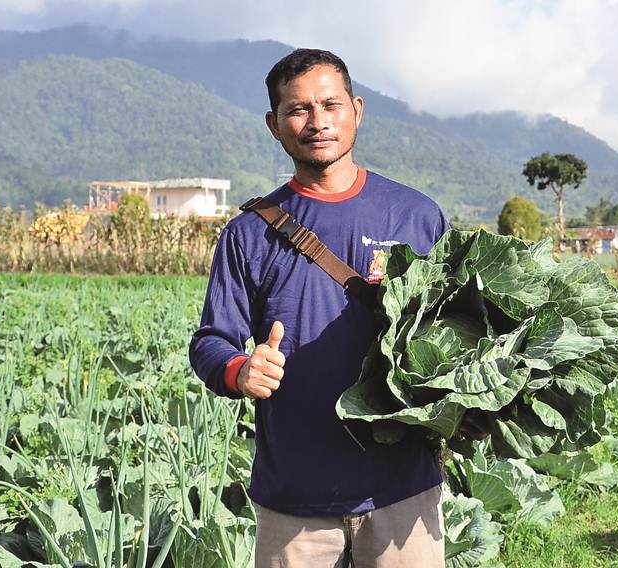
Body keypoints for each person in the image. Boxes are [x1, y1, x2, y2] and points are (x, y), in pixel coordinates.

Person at [189, 48, 449, 567]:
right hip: (294, 499)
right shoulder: (249, 233)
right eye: (298, 109)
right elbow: (211, 341)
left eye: (330, 105)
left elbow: (458, 332)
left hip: (402, 490)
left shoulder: (416, 217)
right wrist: (240, 370)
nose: (317, 122)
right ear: (274, 124)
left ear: (356, 110)